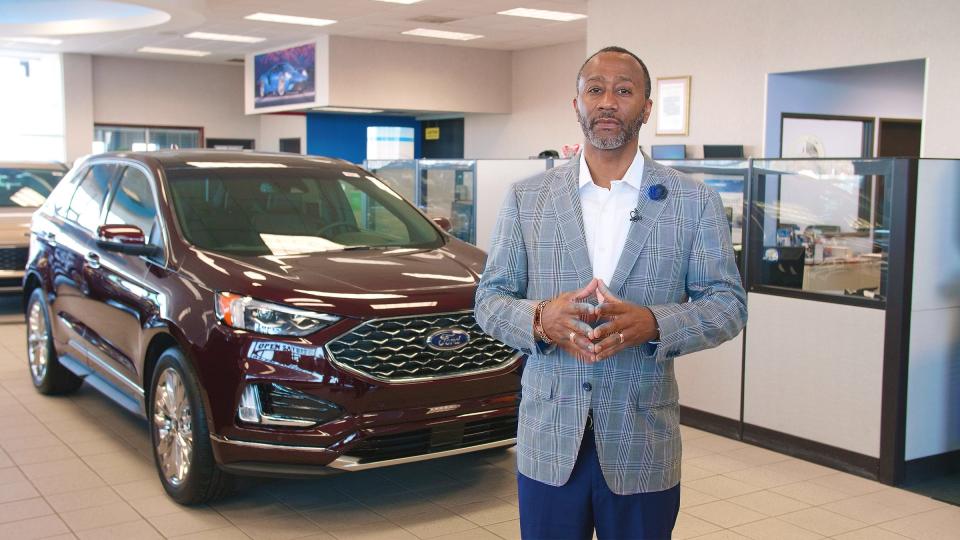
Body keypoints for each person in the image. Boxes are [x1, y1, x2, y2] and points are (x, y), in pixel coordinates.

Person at [475, 46, 747, 539]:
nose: (607, 101)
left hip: (642, 440)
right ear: (575, 104)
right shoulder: (526, 198)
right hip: (549, 439)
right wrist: (539, 320)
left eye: (624, 90)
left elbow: (727, 305)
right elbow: (490, 300)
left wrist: (657, 324)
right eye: (595, 89)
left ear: (646, 107)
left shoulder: (693, 201)